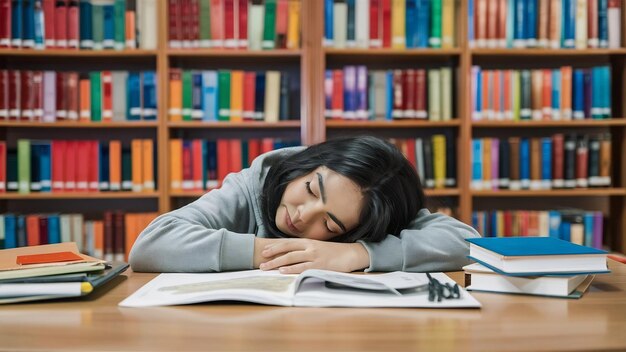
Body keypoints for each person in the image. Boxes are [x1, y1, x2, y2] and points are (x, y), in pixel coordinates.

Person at [129, 136, 480, 274]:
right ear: (306, 164)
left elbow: (467, 244)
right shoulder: (254, 183)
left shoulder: (379, 208)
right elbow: (151, 244)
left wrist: (357, 254)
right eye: (312, 189)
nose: (302, 215)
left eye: (330, 226)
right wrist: (280, 252)